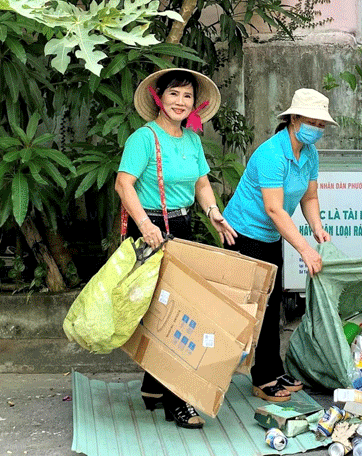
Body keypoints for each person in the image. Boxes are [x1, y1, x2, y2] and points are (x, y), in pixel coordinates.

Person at [115, 68, 237, 429]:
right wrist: (146, 226)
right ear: (158, 98)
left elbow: (201, 183)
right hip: (149, 231)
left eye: (187, 96)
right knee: (170, 316)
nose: (180, 102)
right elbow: (124, 185)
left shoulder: (192, 141)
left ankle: (154, 386)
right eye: (174, 94)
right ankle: (177, 403)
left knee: (171, 312)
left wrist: (213, 212)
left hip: (181, 228)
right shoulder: (143, 138)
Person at [219, 88, 335, 402]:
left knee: (272, 307)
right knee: (250, 308)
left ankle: (271, 369)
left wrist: (318, 229)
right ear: (293, 118)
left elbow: (309, 197)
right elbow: (274, 208)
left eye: (321, 124)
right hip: (243, 235)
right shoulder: (271, 154)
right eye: (312, 121)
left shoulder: (309, 154)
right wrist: (304, 249)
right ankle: (253, 375)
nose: (317, 128)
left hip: (270, 237)